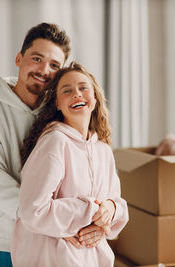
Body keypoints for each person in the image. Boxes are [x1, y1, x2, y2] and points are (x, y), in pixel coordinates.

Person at [0, 23, 105, 267]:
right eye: (37, 58)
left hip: (53, 244)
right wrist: (54, 223)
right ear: (19, 58)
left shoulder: (62, 114)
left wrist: (107, 210)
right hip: (2, 244)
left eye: (54, 65)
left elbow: (87, 172)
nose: (43, 70)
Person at [11, 62, 128, 267]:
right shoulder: (55, 142)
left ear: (94, 98)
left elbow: (115, 202)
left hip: (93, 260)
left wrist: (109, 211)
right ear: (57, 103)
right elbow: (32, 210)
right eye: (67, 90)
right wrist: (90, 211)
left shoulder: (103, 151)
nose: (76, 94)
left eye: (83, 87)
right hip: (54, 259)